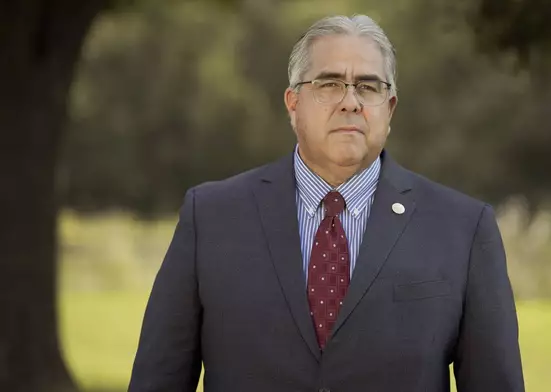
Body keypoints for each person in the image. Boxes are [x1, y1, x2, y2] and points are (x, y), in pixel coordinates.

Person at [128, 14, 525, 392]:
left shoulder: (463, 228)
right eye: (330, 84)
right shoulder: (211, 216)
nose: (350, 101)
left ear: (389, 110)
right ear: (293, 103)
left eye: (368, 87)